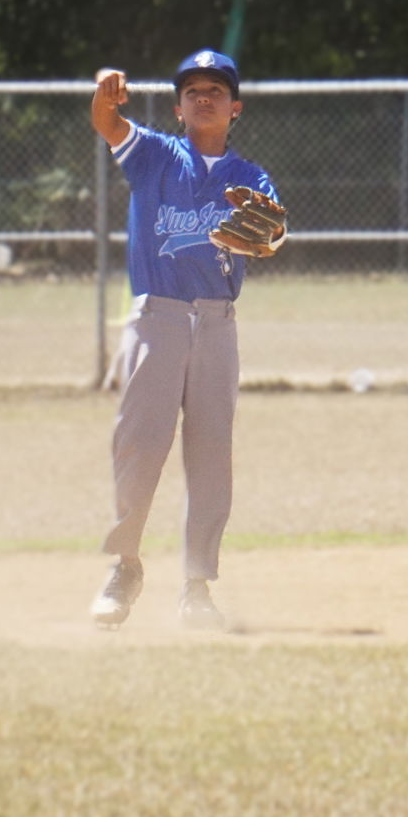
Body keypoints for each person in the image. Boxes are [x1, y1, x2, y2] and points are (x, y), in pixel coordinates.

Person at [88, 49, 286, 631]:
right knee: (139, 444)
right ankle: (125, 566)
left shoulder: (250, 178)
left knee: (210, 456)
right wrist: (104, 86)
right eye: (193, 89)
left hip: (218, 322)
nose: (204, 96)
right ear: (177, 107)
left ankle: (197, 586)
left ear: (235, 108)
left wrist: (271, 235)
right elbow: (107, 121)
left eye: (216, 90)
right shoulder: (153, 155)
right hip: (158, 318)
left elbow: (273, 228)